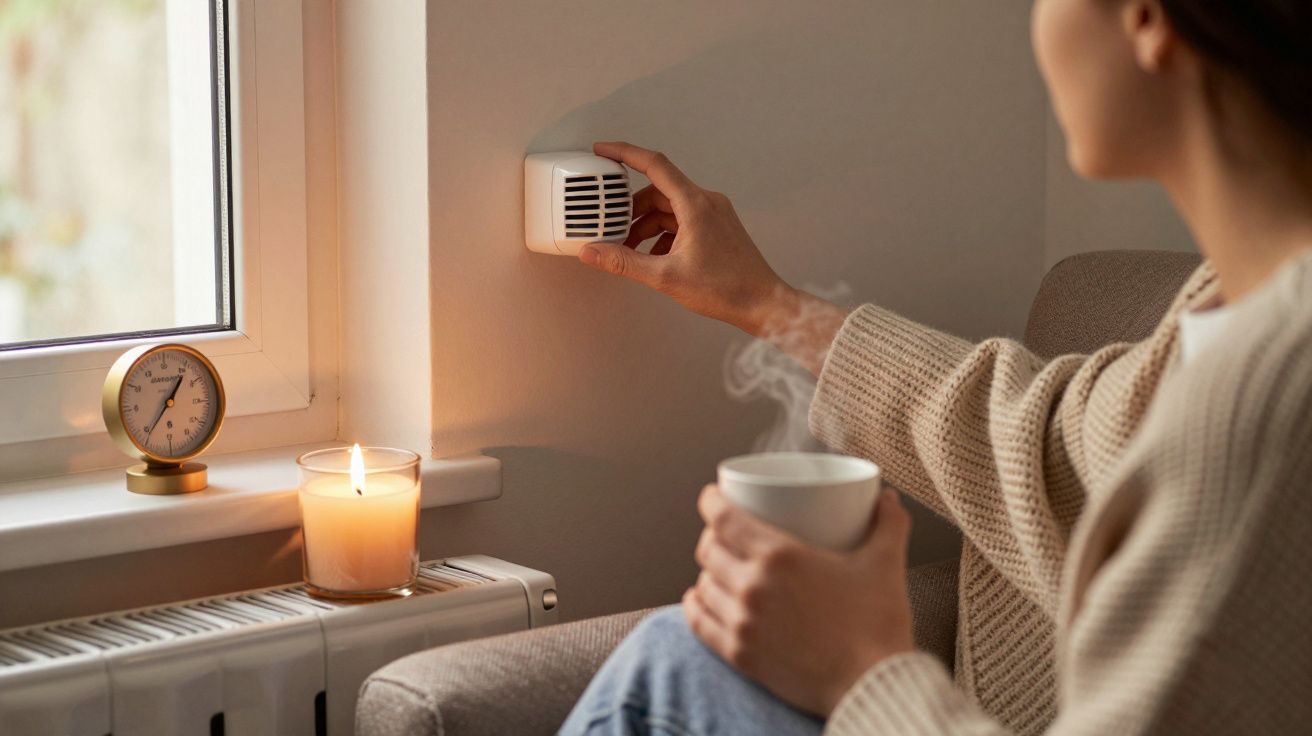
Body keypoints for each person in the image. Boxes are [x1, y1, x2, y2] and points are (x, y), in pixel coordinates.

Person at [557, 0, 1312, 734]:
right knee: (679, 654)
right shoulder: (1239, 308)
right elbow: (1054, 447)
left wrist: (860, 669)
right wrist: (766, 302)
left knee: (669, 669)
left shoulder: (1274, 395)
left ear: (1149, 20)